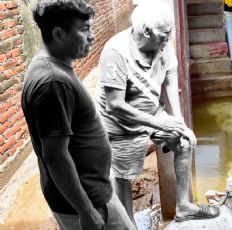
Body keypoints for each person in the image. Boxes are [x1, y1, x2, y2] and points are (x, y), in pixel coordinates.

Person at [96, 0, 220, 223]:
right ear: (145, 31)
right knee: (123, 176)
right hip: (121, 124)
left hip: (153, 112)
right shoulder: (115, 53)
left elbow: (171, 80)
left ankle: (184, 207)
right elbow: (115, 105)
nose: (168, 38)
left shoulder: (162, 42)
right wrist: (162, 124)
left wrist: (179, 122)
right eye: (163, 35)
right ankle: (128, 225)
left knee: (183, 141)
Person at [21, 1, 135, 229]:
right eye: (84, 30)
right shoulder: (52, 82)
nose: (92, 36)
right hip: (87, 203)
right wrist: (85, 210)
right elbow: (56, 156)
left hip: (94, 193)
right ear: (59, 34)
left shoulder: (53, 69)